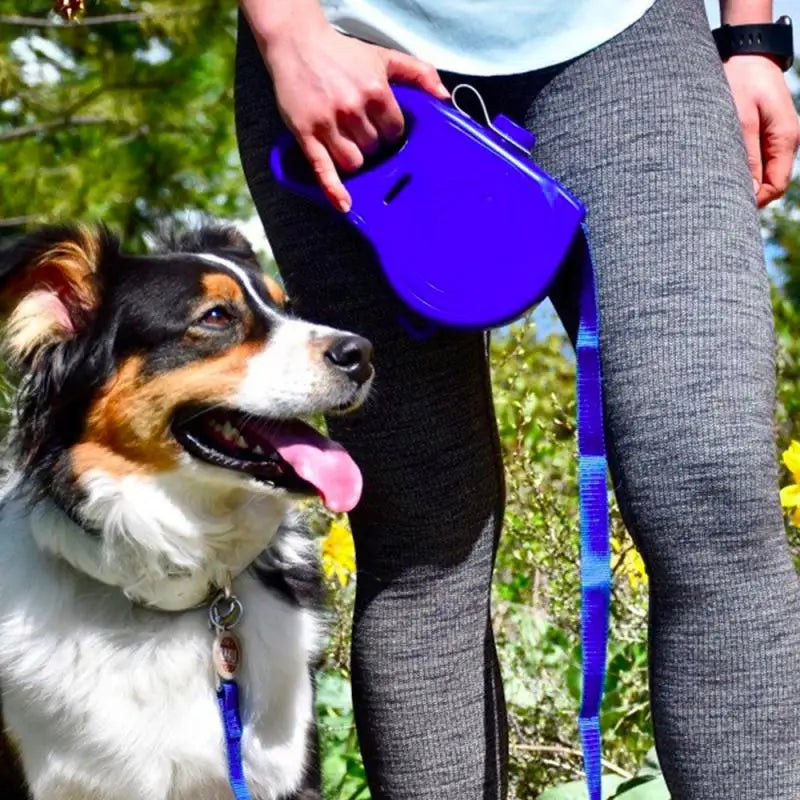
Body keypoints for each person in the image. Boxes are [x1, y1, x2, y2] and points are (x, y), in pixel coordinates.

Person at [234, 0, 800, 797]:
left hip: (625, 38)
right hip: (344, 52)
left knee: (708, 484)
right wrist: (289, 31)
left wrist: (751, 42)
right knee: (422, 534)